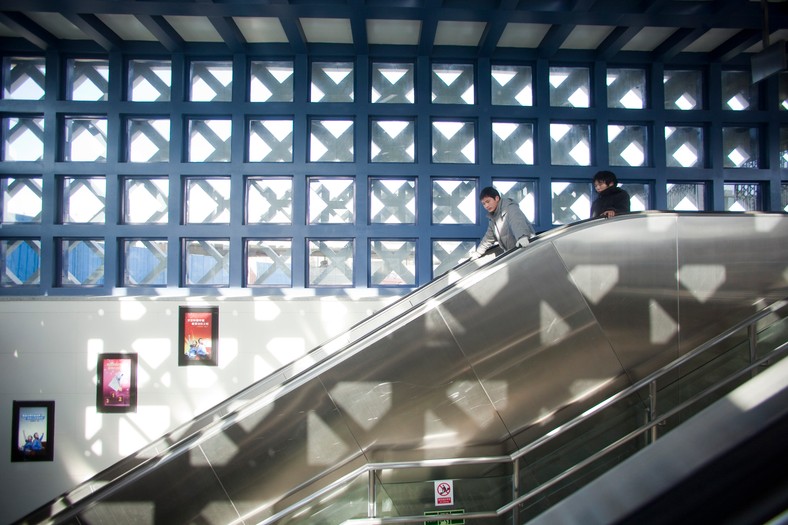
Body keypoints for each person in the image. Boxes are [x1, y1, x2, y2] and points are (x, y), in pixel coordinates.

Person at [470, 187, 534, 260]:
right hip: (514, 254)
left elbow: (517, 222)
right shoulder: (493, 218)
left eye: (488, 201)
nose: (486, 206)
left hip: (526, 250)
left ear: (496, 198)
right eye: (484, 204)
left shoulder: (510, 208)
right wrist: (478, 253)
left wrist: (522, 237)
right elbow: (488, 238)